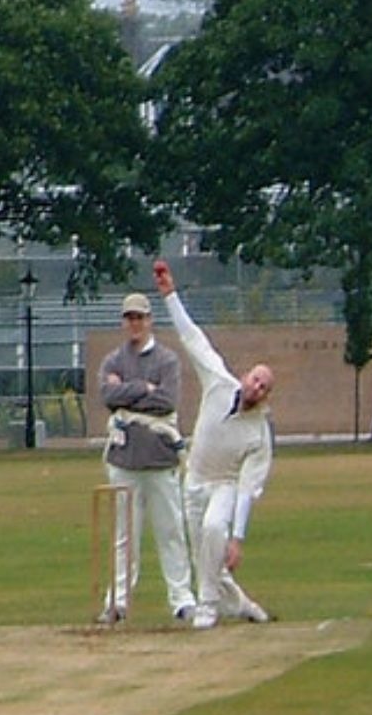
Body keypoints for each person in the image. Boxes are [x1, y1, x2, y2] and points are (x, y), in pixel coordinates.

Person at [153, 260, 275, 630]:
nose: (257, 387)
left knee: (213, 533)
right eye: (256, 379)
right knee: (204, 554)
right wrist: (169, 294)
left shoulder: (259, 433)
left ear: (267, 396)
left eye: (265, 387)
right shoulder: (219, 382)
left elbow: (248, 489)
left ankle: (207, 605)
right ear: (245, 377)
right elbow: (192, 338)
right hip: (194, 479)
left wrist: (237, 539)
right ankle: (243, 605)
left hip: (224, 484)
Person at [98, 290, 197, 623]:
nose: (135, 323)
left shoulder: (167, 360)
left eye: (140, 317)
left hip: (159, 459)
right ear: (124, 322)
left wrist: (127, 393)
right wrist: (143, 387)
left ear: (149, 320)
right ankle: (118, 601)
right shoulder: (113, 360)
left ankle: (182, 599)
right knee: (124, 536)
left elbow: (167, 401)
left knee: (170, 532)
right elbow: (107, 395)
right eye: (130, 318)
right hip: (124, 460)